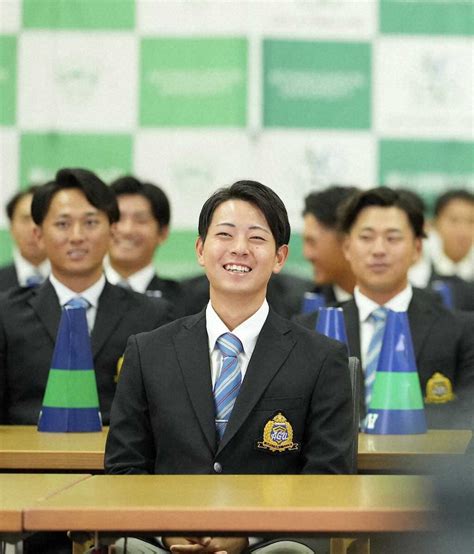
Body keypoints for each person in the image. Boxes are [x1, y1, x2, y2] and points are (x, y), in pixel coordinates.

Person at [105, 180, 353, 554]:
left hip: (270, 542)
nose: (239, 249)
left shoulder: (321, 358)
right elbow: (125, 468)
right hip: (164, 539)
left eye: (257, 238)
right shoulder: (148, 351)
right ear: (201, 250)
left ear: (280, 257)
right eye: (224, 235)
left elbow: (328, 477)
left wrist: (247, 534)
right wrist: (168, 531)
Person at [0, 168, 173, 426]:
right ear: (38, 234)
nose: (77, 237)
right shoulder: (6, 314)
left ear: (112, 230)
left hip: (118, 462)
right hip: (25, 462)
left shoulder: (153, 316)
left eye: (91, 222)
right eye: (62, 224)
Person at [296, 187, 474, 429]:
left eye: (393, 238)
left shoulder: (460, 332)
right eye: (366, 237)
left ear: (417, 249)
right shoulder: (308, 330)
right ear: (347, 247)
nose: (378, 250)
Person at [106, 176, 184, 315]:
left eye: (140, 220)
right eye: (117, 218)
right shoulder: (84, 293)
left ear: (163, 233)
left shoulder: (184, 302)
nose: (127, 230)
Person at [302, 186, 358, 304]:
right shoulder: (304, 311)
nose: (306, 254)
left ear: (346, 241)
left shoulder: (399, 306)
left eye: (312, 242)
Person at [0, 186, 50, 291]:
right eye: (25, 219)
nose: (33, 228)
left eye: (39, 219)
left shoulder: (73, 281)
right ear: (11, 227)